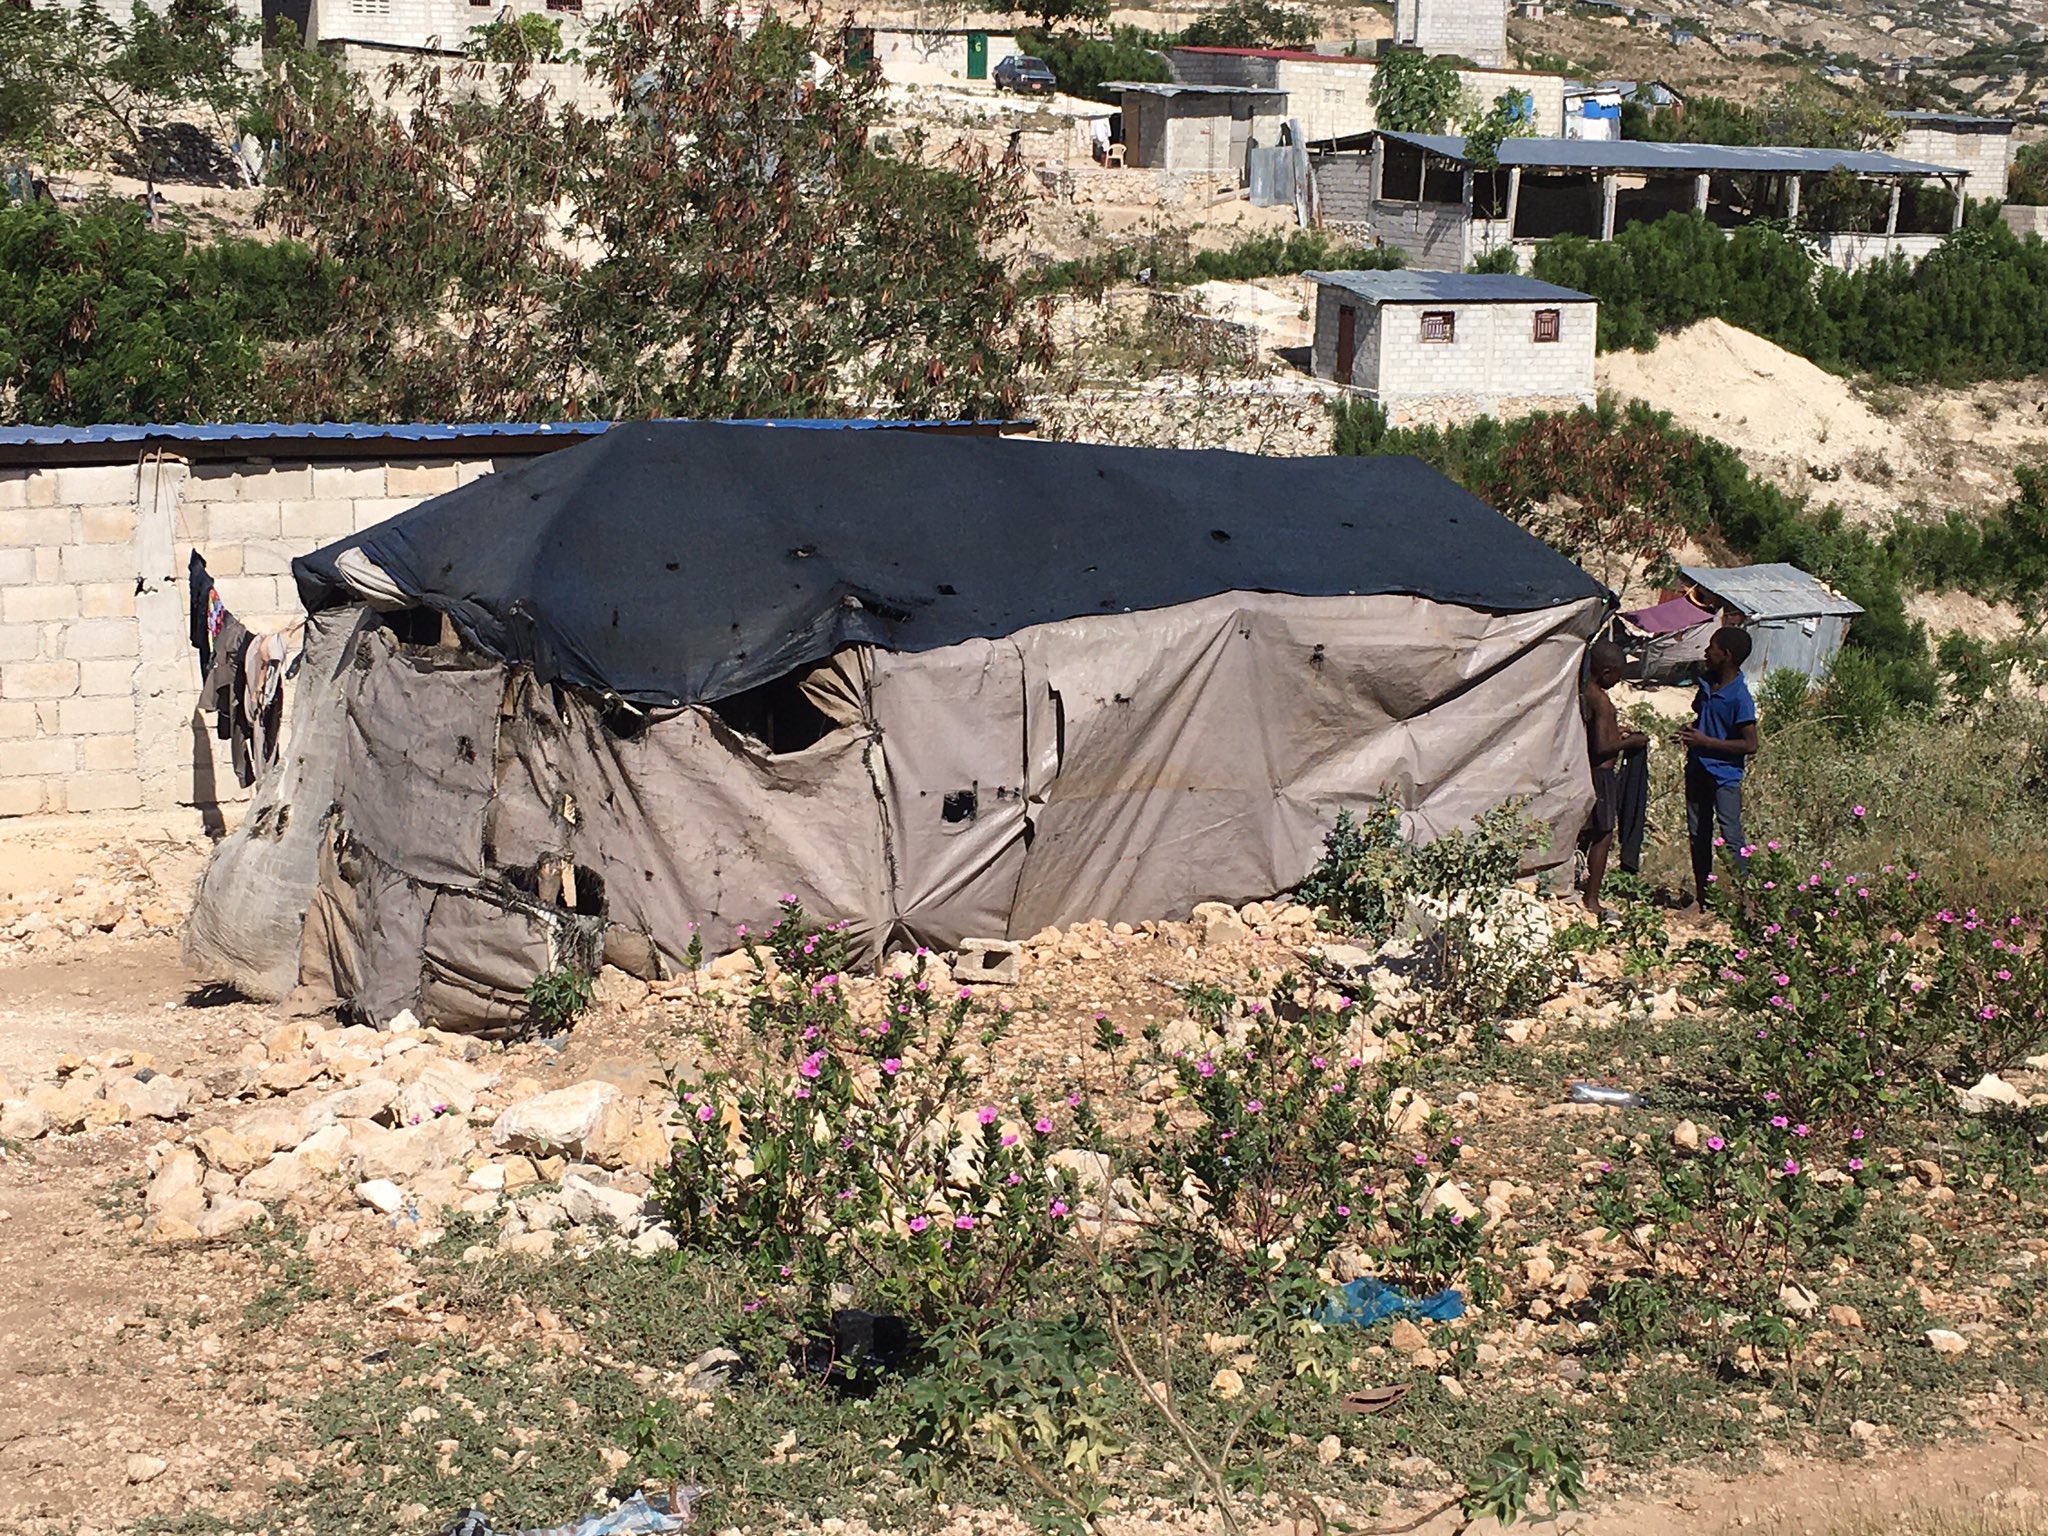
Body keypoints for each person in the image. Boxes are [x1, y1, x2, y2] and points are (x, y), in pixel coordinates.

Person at [1678, 625, 1759, 913]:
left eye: (1711, 647)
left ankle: (1747, 903)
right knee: (1698, 832)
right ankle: (1703, 898)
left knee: (1731, 836)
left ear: (1726, 655)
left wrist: (1706, 741)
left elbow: (1750, 744)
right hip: (1698, 768)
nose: (1706, 651)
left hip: (1725, 776)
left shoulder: (1739, 697)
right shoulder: (1706, 683)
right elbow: (1702, 715)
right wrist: (1692, 731)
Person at [1580, 641, 1649, 919]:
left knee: (1585, 828)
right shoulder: (1602, 701)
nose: (1619, 678)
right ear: (1606, 672)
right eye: (1618, 673)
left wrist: (1617, 733)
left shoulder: (1587, 693)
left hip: (1586, 770)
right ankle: (1592, 897)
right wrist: (1631, 742)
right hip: (1601, 773)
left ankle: (1574, 878)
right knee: (1604, 832)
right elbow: (1601, 748)